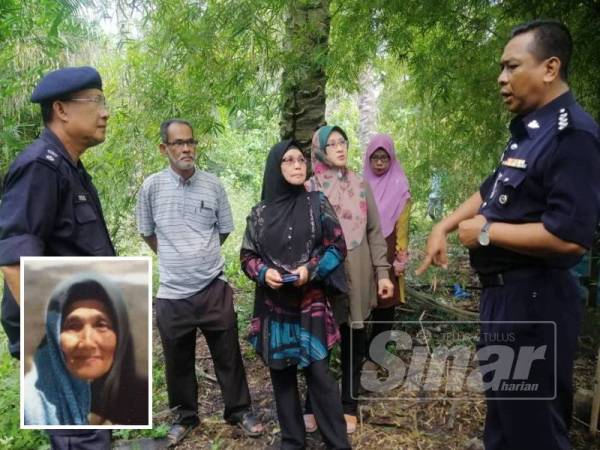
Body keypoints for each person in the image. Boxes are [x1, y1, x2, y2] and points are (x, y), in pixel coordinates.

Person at [416, 20, 600, 450]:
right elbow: (492, 189)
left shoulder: (573, 136)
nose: (501, 78)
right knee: (503, 424)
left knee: (534, 432)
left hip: (536, 304)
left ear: (550, 68)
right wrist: (443, 225)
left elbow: (571, 237)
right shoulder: (529, 133)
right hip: (504, 300)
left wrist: (487, 233)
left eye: (511, 66)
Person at [0, 66, 114, 449]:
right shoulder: (39, 166)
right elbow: (15, 260)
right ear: (62, 110)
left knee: (93, 430)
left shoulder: (71, 169)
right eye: (95, 101)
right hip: (57, 340)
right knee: (80, 439)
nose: (105, 112)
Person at [135, 119, 263, 447]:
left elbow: (223, 230)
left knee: (228, 354)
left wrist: (200, 258)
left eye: (190, 142)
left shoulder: (213, 185)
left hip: (213, 288)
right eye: (178, 143)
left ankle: (238, 411)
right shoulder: (151, 187)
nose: (186, 148)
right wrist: (176, 258)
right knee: (177, 362)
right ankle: (185, 417)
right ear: (164, 148)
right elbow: (147, 232)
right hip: (172, 294)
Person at [240, 139, 351, 449]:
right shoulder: (259, 214)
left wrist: (310, 270)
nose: (297, 165)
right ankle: (292, 441)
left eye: (300, 160)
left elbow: (336, 246)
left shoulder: (317, 202)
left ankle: (337, 442)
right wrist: (263, 273)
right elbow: (247, 256)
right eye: (288, 160)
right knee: (282, 377)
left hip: (310, 302)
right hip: (273, 305)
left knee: (320, 376)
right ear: (276, 167)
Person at [304, 125, 394, 434]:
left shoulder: (360, 184)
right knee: (319, 339)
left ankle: (349, 403)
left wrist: (383, 272)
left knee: (354, 339)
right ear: (319, 151)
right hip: (323, 276)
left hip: (357, 271)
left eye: (343, 142)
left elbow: (374, 232)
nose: (340, 148)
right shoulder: (309, 188)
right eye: (332, 144)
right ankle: (311, 402)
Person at [24, 273, 148, 426]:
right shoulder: (35, 400)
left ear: (120, 333)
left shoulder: (142, 396)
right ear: (55, 334)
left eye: (101, 325)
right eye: (73, 326)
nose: (87, 342)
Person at [362, 134, 411, 363]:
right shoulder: (360, 185)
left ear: (392, 159)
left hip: (390, 247)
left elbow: (403, 225)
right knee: (363, 298)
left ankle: (378, 352)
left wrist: (401, 256)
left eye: (384, 158)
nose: (380, 163)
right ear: (368, 160)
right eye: (375, 158)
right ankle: (360, 351)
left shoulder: (400, 185)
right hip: (363, 248)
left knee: (386, 300)